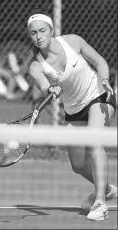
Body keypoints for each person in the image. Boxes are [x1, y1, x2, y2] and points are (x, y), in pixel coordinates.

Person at [26, 11, 117, 221]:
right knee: (77, 165)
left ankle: (100, 203)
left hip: (99, 96)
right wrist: (50, 89)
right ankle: (108, 189)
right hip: (74, 109)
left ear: (52, 31)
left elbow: (101, 63)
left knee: (95, 142)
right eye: (33, 33)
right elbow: (43, 84)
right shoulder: (36, 65)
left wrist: (104, 80)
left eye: (42, 31)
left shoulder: (73, 41)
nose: (38, 36)